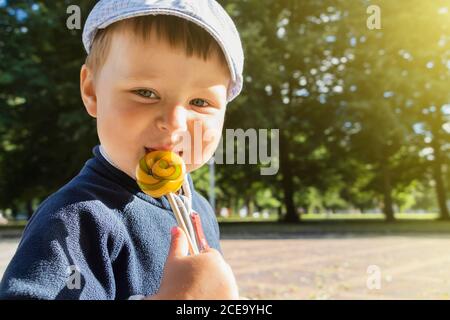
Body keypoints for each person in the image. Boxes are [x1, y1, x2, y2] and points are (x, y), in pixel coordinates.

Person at [0, 0, 244, 300]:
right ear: (92, 92)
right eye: (145, 93)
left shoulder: (200, 209)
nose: (174, 123)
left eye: (200, 103)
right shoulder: (74, 221)